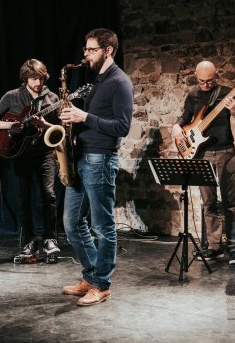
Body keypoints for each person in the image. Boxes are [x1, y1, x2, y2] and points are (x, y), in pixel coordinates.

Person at [58, 28, 133, 306]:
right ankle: (91, 276)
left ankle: (102, 285)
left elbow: (122, 127)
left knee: (103, 227)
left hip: (101, 160)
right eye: (86, 49)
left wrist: (84, 116)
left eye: (91, 50)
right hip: (82, 158)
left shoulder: (119, 82)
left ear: (108, 50)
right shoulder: (99, 81)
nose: (85, 55)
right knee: (72, 223)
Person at [171, 61, 235, 265]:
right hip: (201, 153)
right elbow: (185, 117)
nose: (205, 85)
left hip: (225, 152)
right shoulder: (193, 95)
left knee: (230, 203)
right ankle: (213, 246)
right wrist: (176, 126)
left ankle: (233, 247)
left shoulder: (227, 93)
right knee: (208, 203)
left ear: (217, 76)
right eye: (201, 81)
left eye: (209, 81)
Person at [0, 59, 61, 259]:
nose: (38, 82)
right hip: (20, 153)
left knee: (49, 195)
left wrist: (44, 125)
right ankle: (29, 241)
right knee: (23, 199)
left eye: (41, 78)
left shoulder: (53, 98)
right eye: (34, 78)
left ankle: (50, 238)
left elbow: (60, 128)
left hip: (45, 152)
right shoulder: (12, 96)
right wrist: (9, 126)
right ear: (25, 78)